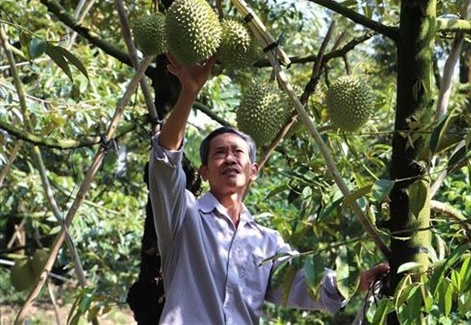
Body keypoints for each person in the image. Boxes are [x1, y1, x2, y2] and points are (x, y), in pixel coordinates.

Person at [149, 55, 389, 324]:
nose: (229, 158)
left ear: (253, 171)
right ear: (204, 172)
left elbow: (302, 282)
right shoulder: (183, 216)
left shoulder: (267, 242)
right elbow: (165, 159)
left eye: (238, 152)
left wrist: (355, 282)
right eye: (219, 153)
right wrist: (189, 93)